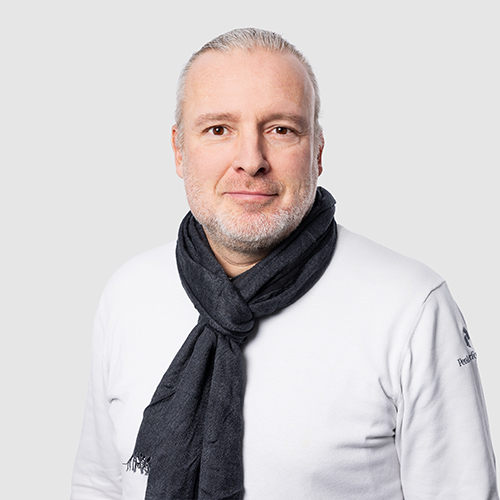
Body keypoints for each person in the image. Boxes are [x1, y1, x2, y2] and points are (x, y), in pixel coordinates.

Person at [71, 28, 498, 500]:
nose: (251, 160)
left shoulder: (411, 308)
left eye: (280, 130)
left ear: (318, 151)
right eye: (218, 129)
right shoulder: (128, 294)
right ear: (178, 150)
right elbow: (99, 484)